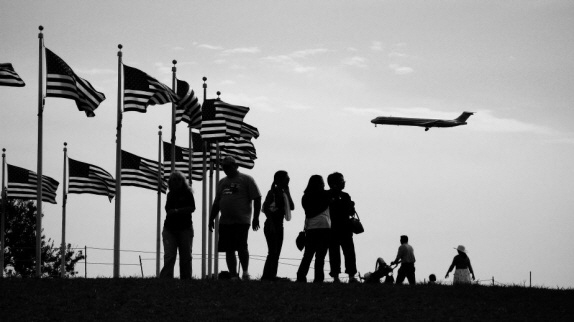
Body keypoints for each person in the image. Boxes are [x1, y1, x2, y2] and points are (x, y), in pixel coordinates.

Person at [209, 156, 261, 280]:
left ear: (235, 166)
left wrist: (256, 218)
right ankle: (233, 275)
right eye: (224, 167)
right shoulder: (222, 182)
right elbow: (217, 202)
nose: (226, 169)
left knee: (242, 247)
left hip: (242, 220)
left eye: (228, 166)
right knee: (228, 249)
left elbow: (257, 198)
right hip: (225, 221)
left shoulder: (246, 179)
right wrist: (211, 218)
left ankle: (245, 272)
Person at [160, 171, 196, 279]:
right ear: (170, 182)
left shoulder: (188, 193)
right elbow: (167, 209)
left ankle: (186, 279)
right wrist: (174, 211)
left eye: (179, 179)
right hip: (170, 228)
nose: (176, 182)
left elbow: (192, 208)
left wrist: (177, 211)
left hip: (185, 228)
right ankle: (166, 279)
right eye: (174, 180)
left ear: (183, 181)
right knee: (170, 255)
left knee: (186, 256)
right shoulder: (170, 195)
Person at [296, 175, 331, 283]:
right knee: (320, 256)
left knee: (308, 255)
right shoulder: (325, 195)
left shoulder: (306, 197)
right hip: (323, 227)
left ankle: (301, 276)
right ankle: (318, 278)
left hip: (311, 228)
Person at [261, 170, 294, 281]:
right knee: (273, 251)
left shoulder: (283, 193)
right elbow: (265, 208)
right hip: (272, 224)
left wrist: (288, 192)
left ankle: (271, 275)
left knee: (276, 252)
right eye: (286, 177)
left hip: (279, 224)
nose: (288, 179)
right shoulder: (272, 193)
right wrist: (271, 224)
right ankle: (267, 276)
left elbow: (292, 206)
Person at [327, 172, 358, 283]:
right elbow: (350, 211)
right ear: (334, 183)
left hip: (334, 228)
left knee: (335, 253)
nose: (344, 182)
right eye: (341, 181)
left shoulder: (327, 195)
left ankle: (336, 276)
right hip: (343, 228)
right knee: (348, 252)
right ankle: (351, 276)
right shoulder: (345, 196)